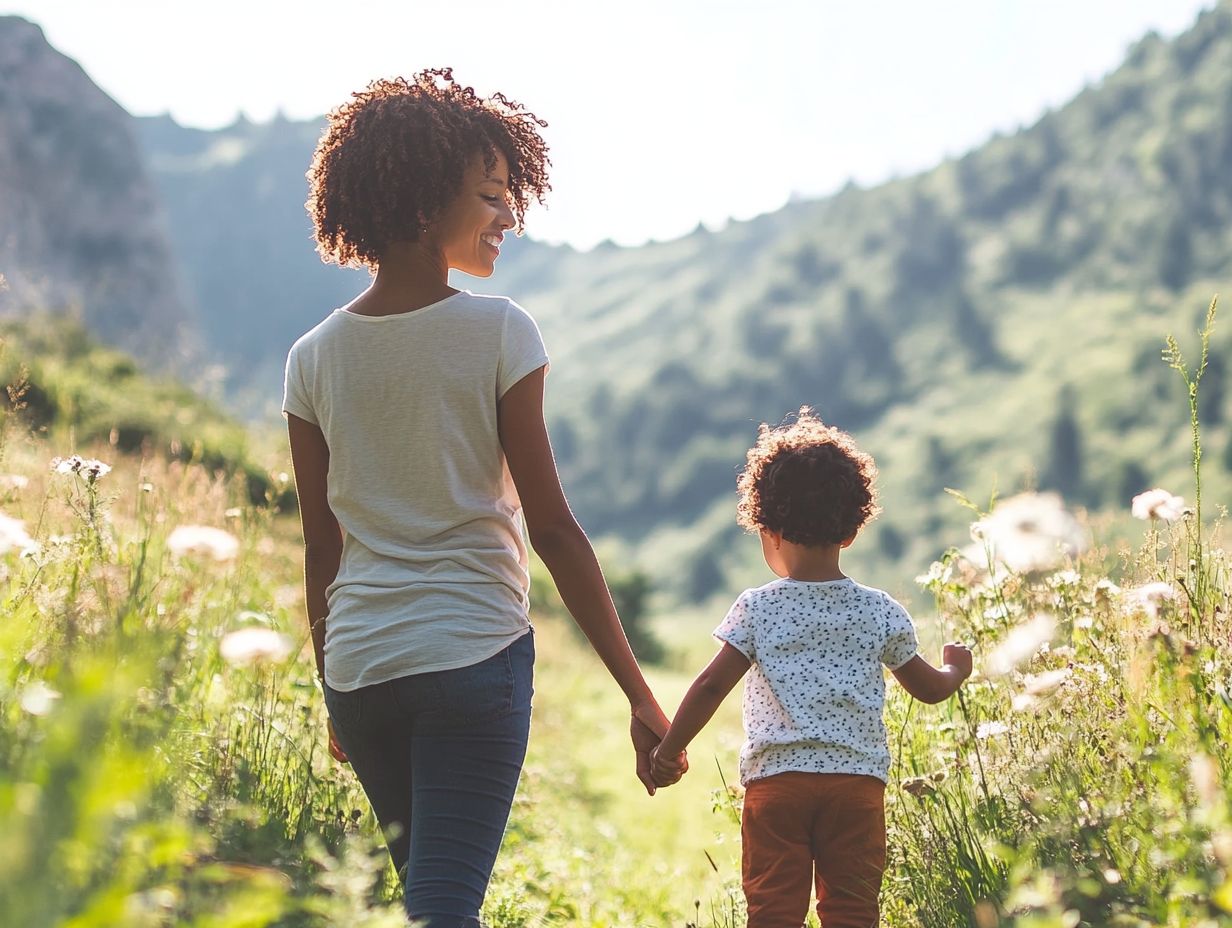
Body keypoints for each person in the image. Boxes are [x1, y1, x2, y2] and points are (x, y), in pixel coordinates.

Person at [283, 69, 682, 927]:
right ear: (427, 202)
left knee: (430, 899)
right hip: (473, 658)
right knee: (445, 909)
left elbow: (323, 549)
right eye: (492, 196)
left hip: (361, 669)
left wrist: (331, 689)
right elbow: (555, 532)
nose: (510, 216)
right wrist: (640, 698)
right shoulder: (500, 330)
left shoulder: (311, 358)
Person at [650, 409, 972, 928]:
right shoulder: (880, 610)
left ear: (769, 528)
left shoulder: (758, 608)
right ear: (850, 529)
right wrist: (956, 669)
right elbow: (929, 689)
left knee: (773, 911)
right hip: (856, 786)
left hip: (777, 785)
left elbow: (710, 685)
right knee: (851, 910)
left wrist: (668, 751)